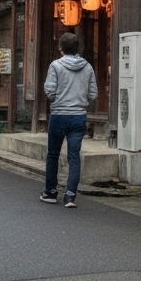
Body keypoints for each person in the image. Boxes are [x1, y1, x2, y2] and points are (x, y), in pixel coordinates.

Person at [40, 32, 97, 208]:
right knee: (74, 157)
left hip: (59, 115)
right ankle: (70, 195)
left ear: (61, 48)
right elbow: (93, 93)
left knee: (53, 155)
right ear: (78, 48)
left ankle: (50, 192)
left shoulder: (55, 66)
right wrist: (82, 102)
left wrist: (59, 99)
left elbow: (49, 91)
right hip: (79, 116)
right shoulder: (87, 67)